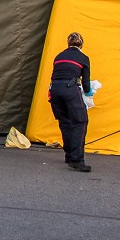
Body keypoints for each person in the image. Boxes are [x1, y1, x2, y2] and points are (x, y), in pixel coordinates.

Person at [49, 32, 91, 172]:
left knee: (65, 122)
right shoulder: (83, 58)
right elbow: (85, 83)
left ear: (68, 43)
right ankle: (77, 160)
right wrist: (89, 92)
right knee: (80, 122)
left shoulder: (59, 56)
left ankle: (69, 154)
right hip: (70, 89)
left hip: (54, 90)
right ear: (81, 44)